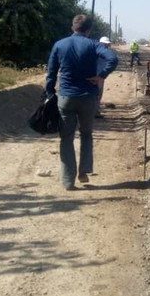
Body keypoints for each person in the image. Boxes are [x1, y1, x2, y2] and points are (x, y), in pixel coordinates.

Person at [46, 15, 118, 190]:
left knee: (66, 138)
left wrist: (49, 92)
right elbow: (113, 59)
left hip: (66, 98)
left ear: (73, 28)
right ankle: (84, 171)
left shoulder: (60, 45)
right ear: (88, 30)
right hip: (88, 98)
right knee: (86, 134)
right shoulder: (93, 45)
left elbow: (51, 72)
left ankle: (68, 180)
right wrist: (101, 76)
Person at [94, 36, 112, 118]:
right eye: (105, 44)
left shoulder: (105, 52)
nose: (106, 46)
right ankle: (94, 112)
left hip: (101, 76)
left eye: (107, 45)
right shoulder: (97, 52)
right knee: (96, 94)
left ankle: (95, 111)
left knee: (99, 94)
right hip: (96, 75)